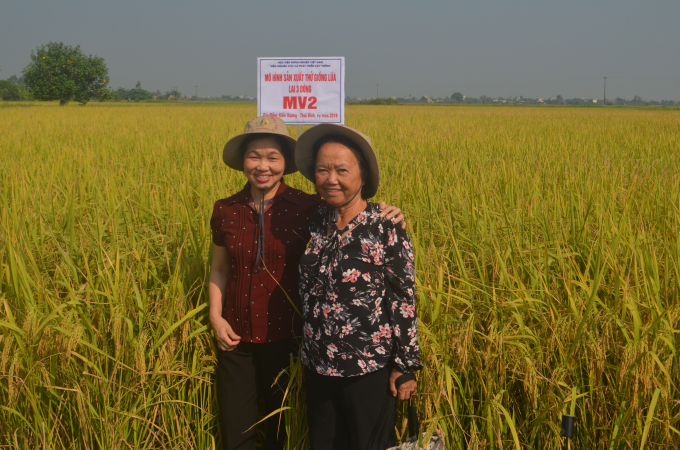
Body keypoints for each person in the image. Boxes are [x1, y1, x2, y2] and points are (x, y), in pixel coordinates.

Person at [209, 117, 405, 450]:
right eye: (254, 156)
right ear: (243, 160)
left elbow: (348, 206)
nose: (263, 166)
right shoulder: (226, 209)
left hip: (290, 336)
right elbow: (219, 268)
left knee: (283, 429)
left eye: (273, 157)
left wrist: (387, 212)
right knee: (236, 432)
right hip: (236, 337)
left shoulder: (309, 208)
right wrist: (216, 317)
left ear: (286, 162)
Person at [295, 124, 422, 450]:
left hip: (368, 368)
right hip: (318, 364)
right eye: (322, 169)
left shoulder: (386, 227)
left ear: (363, 175)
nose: (330, 178)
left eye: (341, 170)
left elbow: (403, 298)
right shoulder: (317, 219)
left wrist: (404, 365)